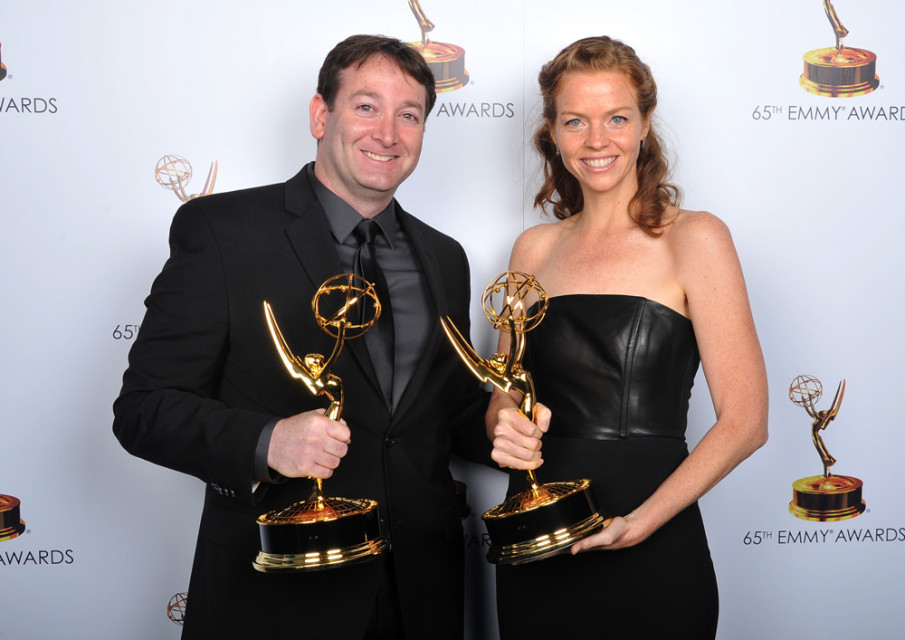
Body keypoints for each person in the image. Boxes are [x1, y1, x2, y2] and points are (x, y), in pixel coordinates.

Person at [113, 34, 504, 639]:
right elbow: (143, 410)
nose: (388, 133)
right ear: (322, 115)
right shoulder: (223, 233)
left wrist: (500, 423)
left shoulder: (444, 257)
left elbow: (436, 420)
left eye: (410, 115)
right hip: (278, 594)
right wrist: (267, 441)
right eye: (366, 106)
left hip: (423, 595)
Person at [486, 36, 768, 638]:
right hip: (535, 543)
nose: (596, 140)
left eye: (616, 118)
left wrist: (640, 523)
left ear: (644, 126)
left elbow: (746, 421)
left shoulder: (696, 238)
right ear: (553, 135)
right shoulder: (531, 249)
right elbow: (504, 394)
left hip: (651, 542)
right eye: (575, 122)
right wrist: (500, 427)